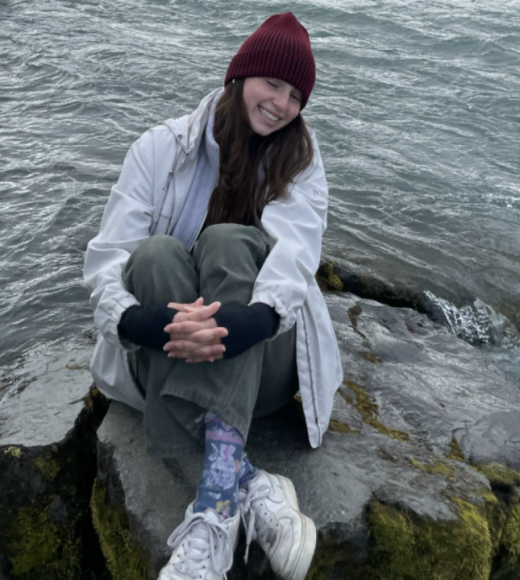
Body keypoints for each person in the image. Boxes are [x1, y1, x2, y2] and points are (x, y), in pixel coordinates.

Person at [84, 12, 343, 580]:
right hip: (171, 350)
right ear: (240, 75)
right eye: (272, 83)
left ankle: (215, 506)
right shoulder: (159, 148)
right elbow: (107, 258)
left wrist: (247, 322)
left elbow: (296, 261)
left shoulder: (301, 162)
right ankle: (240, 486)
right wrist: (143, 324)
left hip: (263, 362)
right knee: (151, 255)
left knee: (228, 241)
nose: (281, 103)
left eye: (296, 95)